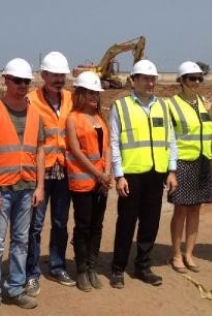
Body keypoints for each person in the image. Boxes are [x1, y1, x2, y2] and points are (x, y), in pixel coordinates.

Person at [0, 58, 45, 316]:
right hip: (1, 190)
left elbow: (40, 152)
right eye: (17, 80)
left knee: (21, 241)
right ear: (6, 80)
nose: (21, 85)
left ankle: (15, 288)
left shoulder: (35, 115)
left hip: (26, 188)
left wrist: (40, 187)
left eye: (25, 81)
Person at [110, 59, 178, 288]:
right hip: (131, 174)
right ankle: (118, 268)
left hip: (156, 174)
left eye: (153, 79)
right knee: (126, 222)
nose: (150, 83)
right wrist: (119, 175)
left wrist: (172, 170)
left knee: (150, 222)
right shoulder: (121, 107)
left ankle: (143, 266)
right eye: (145, 79)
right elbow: (114, 143)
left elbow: (171, 140)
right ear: (134, 80)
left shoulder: (163, 106)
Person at [26, 51, 75, 295]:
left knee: (60, 222)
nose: (59, 79)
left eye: (62, 75)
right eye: (54, 75)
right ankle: (31, 273)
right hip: (40, 172)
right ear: (43, 75)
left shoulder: (70, 99)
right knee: (35, 225)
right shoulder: (30, 101)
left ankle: (57, 266)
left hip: (64, 170)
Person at [65, 71, 113, 292]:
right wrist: (98, 174)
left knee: (97, 225)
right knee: (83, 226)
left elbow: (107, 148)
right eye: (90, 92)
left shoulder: (100, 119)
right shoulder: (73, 119)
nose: (94, 96)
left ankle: (93, 266)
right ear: (81, 94)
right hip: (83, 183)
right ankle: (82, 270)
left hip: (101, 183)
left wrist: (108, 173)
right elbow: (76, 152)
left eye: (96, 93)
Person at [166, 62, 212, 274]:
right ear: (182, 80)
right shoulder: (171, 105)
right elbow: (169, 138)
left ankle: (189, 254)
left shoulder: (205, 104)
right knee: (181, 209)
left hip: (203, 160)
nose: (196, 82)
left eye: (199, 78)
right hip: (183, 162)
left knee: (195, 209)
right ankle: (176, 254)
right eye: (192, 78)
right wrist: (171, 169)